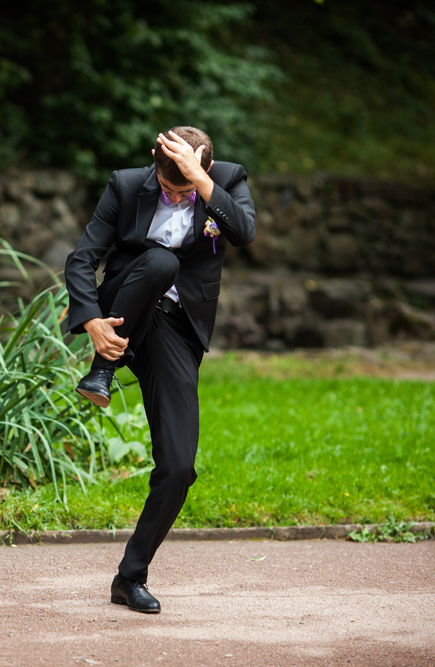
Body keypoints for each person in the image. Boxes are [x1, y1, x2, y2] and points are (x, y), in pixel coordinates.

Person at [63, 126, 255, 613]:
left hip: (179, 328)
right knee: (159, 262)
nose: (173, 195)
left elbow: (244, 233)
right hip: (123, 308)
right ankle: (102, 366)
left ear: (203, 170)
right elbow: (83, 258)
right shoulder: (127, 184)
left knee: (178, 466)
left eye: (182, 188)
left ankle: (130, 577)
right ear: (154, 162)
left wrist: (200, 183)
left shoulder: (226, 180)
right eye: (167, 186)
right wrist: (90, 321)